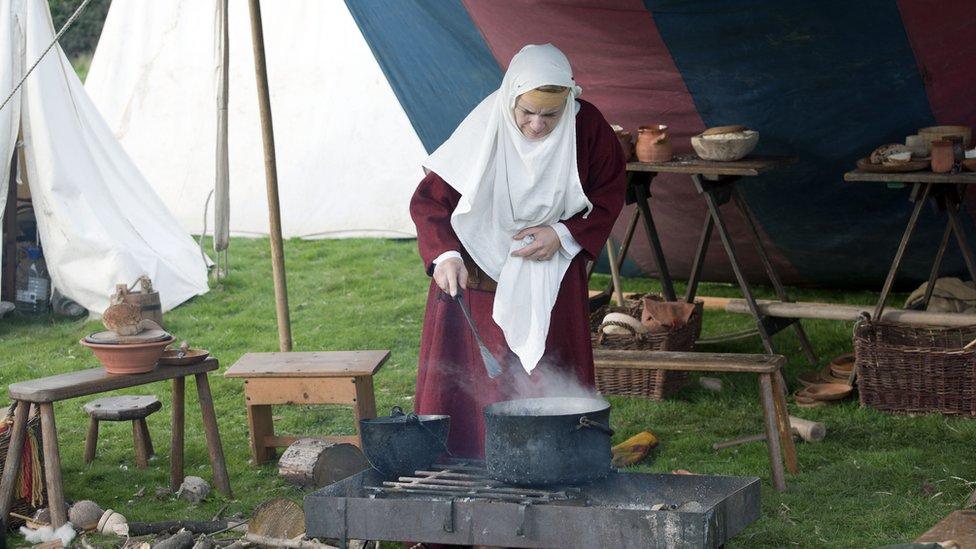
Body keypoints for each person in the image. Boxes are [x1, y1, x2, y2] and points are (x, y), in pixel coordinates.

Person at [409, 44, 625, 458]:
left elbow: (609, 193)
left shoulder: (588, 128)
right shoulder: (485, 127)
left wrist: (562, 234)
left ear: (569, 100)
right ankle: (466, 459)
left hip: (551, 279)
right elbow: (429, 202)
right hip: (475, 280)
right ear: (511, 97)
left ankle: (553, 459)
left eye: (551, 114)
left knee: (550, 379)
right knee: (472, 384)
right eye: (526, 112)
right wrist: (445, 256)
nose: (538, 125)